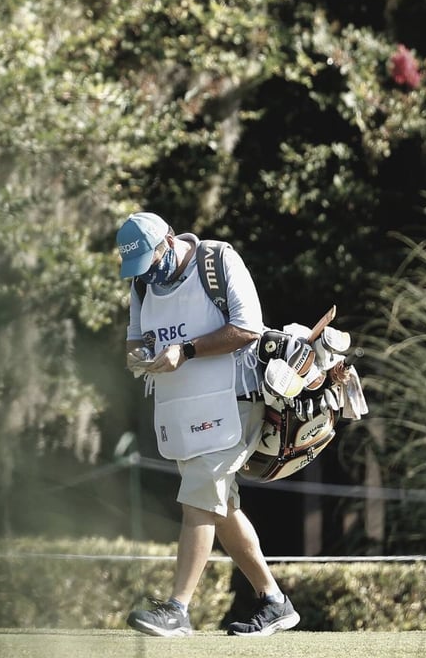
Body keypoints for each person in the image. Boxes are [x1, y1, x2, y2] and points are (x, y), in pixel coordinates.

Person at [116, 211, 299, 638]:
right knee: (221, 506)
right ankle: (275, 601)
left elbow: (248, 328)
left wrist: (186, 350)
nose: (147, 275)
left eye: (150, 261)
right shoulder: (142, 282)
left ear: (167, 241)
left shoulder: (218, 261)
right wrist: (140, 357)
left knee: (199, 495)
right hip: (183, 409)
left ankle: (177, 609)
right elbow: (134, 340)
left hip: (234, 400)